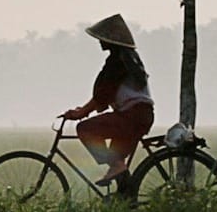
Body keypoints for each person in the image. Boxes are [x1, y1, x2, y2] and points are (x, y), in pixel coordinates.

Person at [62, 13, 155, 189]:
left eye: (102, 38)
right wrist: (84, 109)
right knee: (116, 160)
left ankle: (116, 166)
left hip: (132, 116)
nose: (100, 41)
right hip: (138, 115)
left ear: (111, 40)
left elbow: (104, 94)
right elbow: (104, 94)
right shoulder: (127, 58)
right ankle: (126, 200)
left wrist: (81, 113)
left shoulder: (119, 61)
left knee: (85, 128)